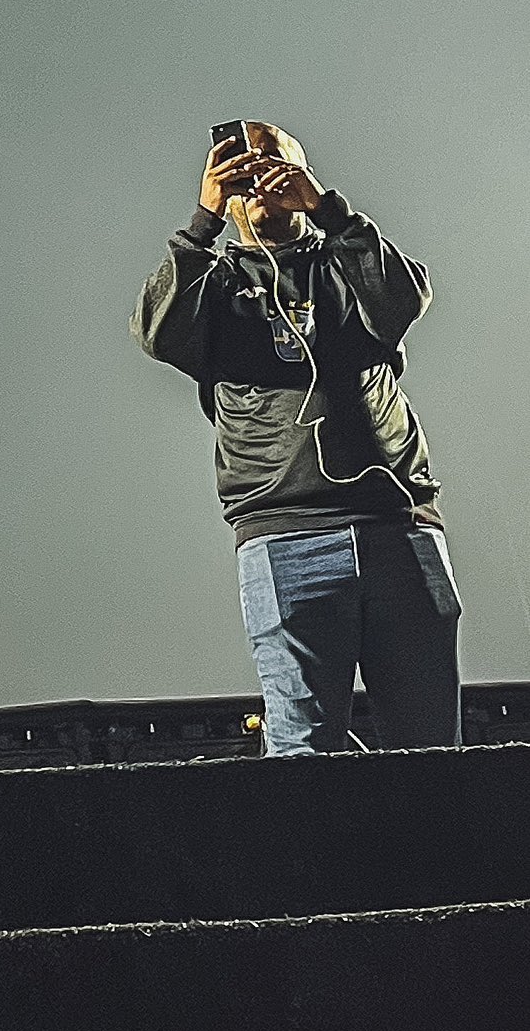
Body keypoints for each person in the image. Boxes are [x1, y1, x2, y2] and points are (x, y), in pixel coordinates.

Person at [131, 123, 462, 756]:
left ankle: (433, 856)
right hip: (284, 537)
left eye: (273, 163)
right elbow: (160, 333)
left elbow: (404, 297)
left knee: (430, 751)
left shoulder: (345, 257)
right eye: (242, 168)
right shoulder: (215, 283)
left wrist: (327, 209)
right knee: (300, 750)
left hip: (399, 526)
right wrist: (203, 221)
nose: (260, 178)